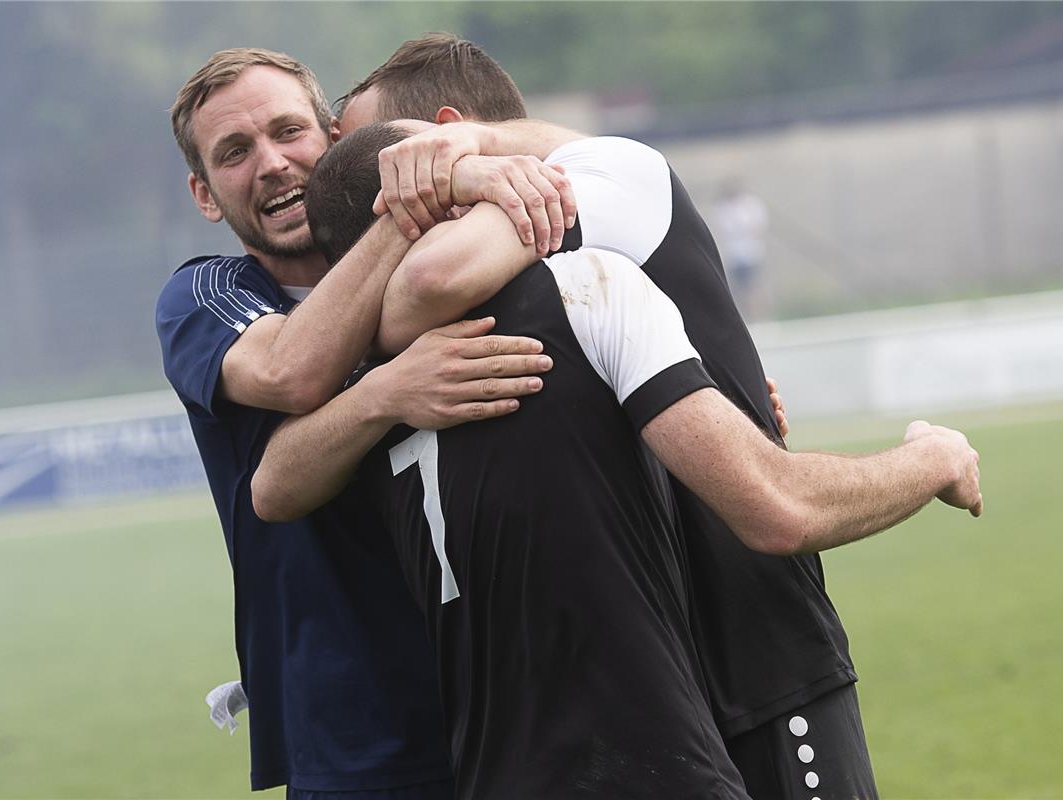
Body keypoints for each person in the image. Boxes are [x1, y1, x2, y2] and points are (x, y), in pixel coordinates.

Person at [322, 33, 980, 798]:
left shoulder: (605, 172)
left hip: (759, 659)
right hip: (643, 695)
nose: (377, 213)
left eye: (392, 174)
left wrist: (935, 455)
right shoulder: (497, 301)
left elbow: (431, 278)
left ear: (450, 130)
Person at [156, 47, 582, 798]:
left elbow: (605, 165)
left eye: (289, 133)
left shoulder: (447, 256)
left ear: (330, 136)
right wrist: (388, 384)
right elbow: (292, 373)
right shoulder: (207, 295)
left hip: (524, 704)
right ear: (204, 193)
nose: (272, 164)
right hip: (362, 743)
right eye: (234, 153)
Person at [713, 181, 770, 318]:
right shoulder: (722, 209)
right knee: (738, 291)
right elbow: (723, 230)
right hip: (734, 257)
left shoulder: (751, 205)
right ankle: (746, 317)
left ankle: (760, 317)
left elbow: (758, 227)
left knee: (754, 288)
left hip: (751, 254)